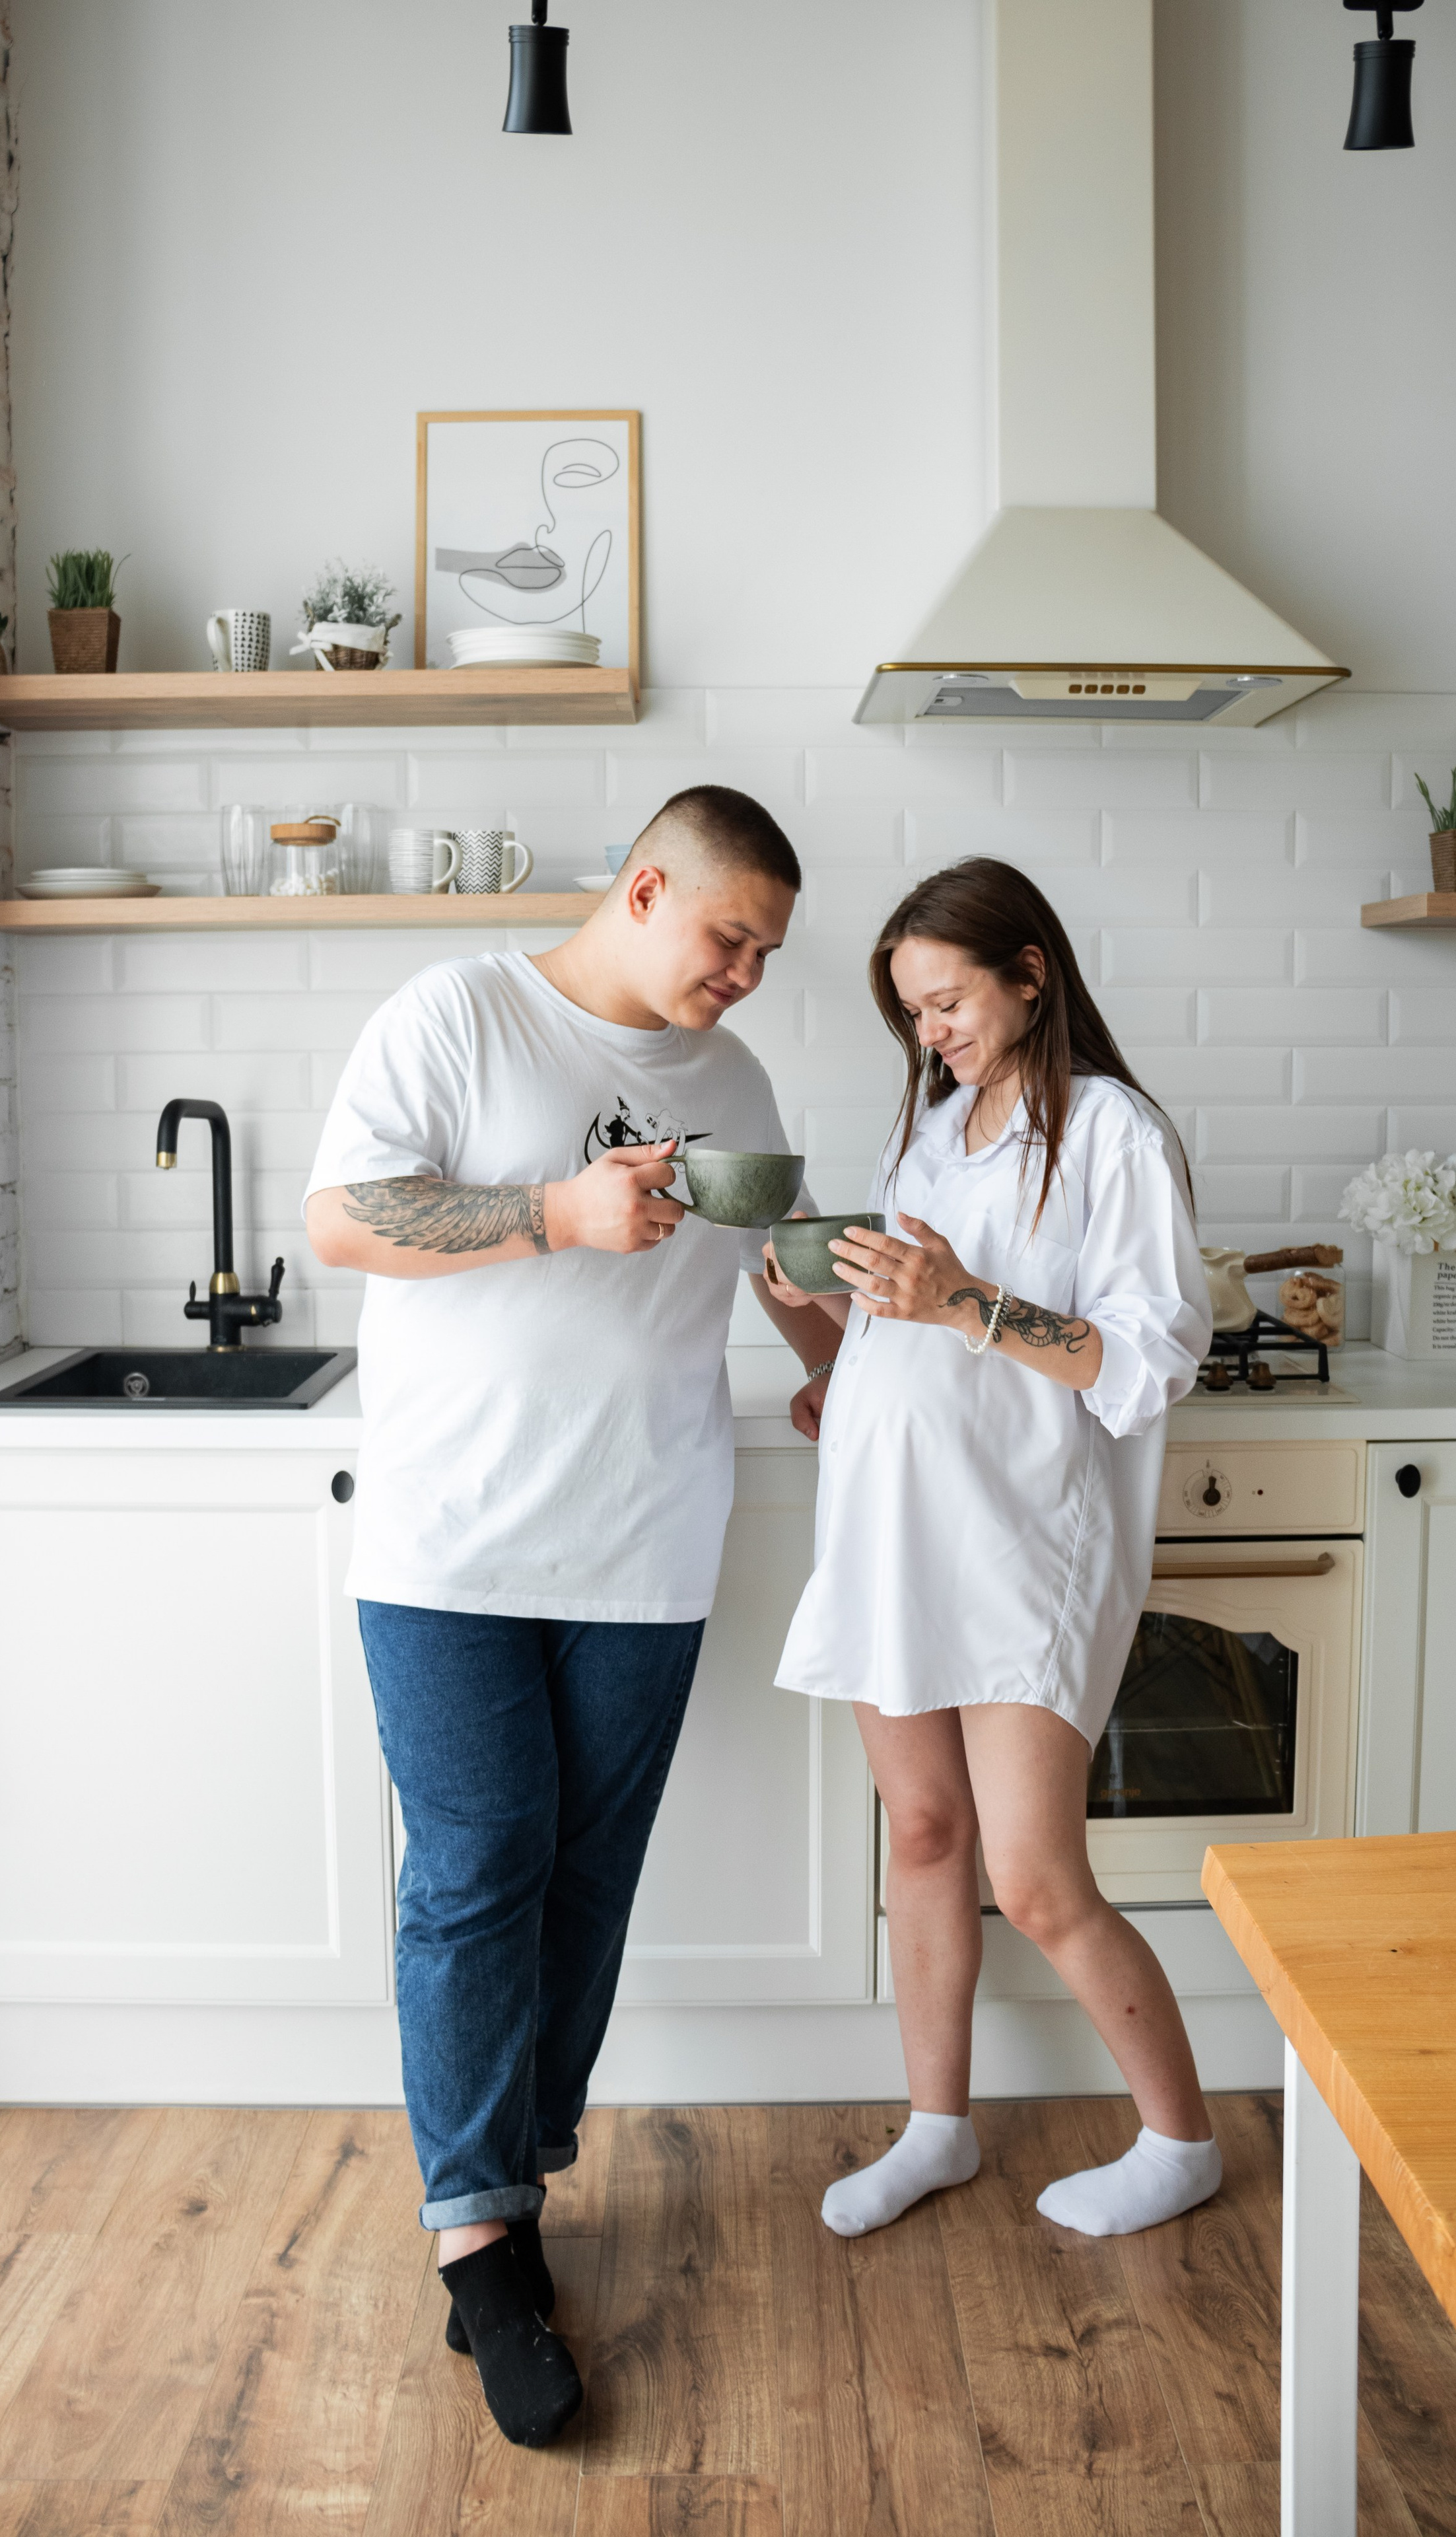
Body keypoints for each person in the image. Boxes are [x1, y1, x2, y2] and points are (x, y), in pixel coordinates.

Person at [304, 786, 835, 2448]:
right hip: (449, 1543)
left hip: (651, 1543)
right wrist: (555, 1208)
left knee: (582, 1878)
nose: (745, 973)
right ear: (643, 884)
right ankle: (473, 2244)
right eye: (726, 935)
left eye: (766, 950)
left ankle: (515, 2185)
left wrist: (824, 1335)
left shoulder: (735, 1085)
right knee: (474, 1868)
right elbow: (338, 1220)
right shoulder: (458, 1012)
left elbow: (753, 1278)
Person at [768, 857, 1218, 2242]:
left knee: (1029, 1875)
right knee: (921, 1831)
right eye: (910, 1014)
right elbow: (880, 1353)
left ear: (1030, 974)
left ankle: (1179, 2139)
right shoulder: (937, 1127)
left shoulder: (1109, 1134)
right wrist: (805, 1322)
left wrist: (960, 1298)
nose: (930, 1033)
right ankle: (935, 2128)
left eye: (946, 1000)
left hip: (1027, 1538)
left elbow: (1148, 1360)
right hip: (891, 1523)